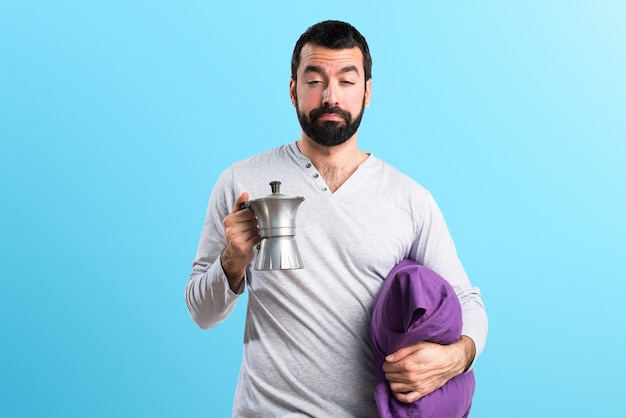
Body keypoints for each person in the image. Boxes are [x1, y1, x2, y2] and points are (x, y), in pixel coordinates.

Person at [185, 20, 488, 417]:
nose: (331, 96)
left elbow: (468, 301)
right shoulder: (242, 180)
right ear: (293, 89)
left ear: (367, 91)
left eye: (347, 81)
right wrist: (232, 263)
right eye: (315, 81)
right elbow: (200, 312)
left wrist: (458, 357)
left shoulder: (409, 199)